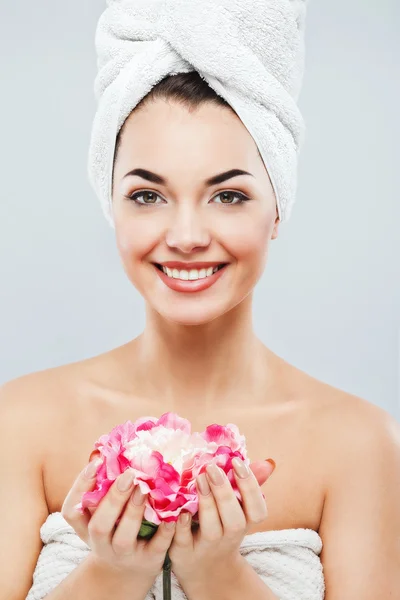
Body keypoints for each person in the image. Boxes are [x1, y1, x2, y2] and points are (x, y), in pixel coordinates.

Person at [2, 15, 400, 600]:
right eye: (147, 195)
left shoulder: (360, 444)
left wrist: (219, 573)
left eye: (229, 195)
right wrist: (112, 574)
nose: (186, 234)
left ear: (278, 208)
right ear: (112, 206)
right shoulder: (16, 423)